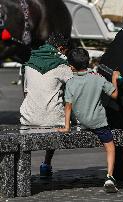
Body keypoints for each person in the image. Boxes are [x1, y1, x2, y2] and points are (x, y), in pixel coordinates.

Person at [57, 48, 120, 193]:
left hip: (82, 122)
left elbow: (68, 107)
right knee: (110, 147)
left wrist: (67, 127)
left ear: (71, 66)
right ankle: (110, 176)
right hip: (99, 123)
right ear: (88, 62)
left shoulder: (71, 83)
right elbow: (115, 94)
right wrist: (114, 79)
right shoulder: (97, 78)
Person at [19, 32, 73, 178]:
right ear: (61, 48)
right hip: (54, 121)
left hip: (28, 119)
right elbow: (76, 86)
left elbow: (25, 92)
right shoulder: (62, 65)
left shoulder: (29, 62)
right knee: (57, 113)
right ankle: (46, 163)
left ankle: (22, 169)